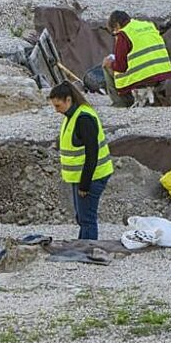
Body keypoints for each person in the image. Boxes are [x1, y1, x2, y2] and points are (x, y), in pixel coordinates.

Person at [49, 82, 113, 241]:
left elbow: (92, 153)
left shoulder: (83, 119)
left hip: (93, 176)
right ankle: (83, 246)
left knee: (87, 219)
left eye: (58, 105)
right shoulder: (72, 116)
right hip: (82, 176)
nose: (56, 110)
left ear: (68, 100)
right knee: (82, 218)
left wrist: (85, 184)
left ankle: (88, 251)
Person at [101, 11, 171, 108]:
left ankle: (120, 103)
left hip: (143, 77)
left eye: (114, 31)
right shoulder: (148, 25)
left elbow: (121, 67)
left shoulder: (123, 34)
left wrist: (110, 63)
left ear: (117, 25)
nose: (115, 35)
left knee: (106, 66)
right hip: (163, 74)